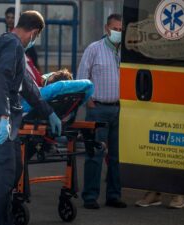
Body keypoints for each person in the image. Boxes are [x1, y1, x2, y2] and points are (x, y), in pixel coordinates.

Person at [0, 10, 62, 225]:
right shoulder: (13, 45)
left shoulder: (6, 42)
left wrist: (48, 111)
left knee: (14, 168)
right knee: (4, 175)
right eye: (36, 37)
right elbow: (1, 79)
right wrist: (3, 117)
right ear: (34, 33)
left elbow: (26, 83)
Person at [77, 14, 126, 209]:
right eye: (115, 29)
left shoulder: (125, 52)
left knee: (115, 157)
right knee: (95, 155)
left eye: (121, 30)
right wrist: (88, 101)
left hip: (118, 109)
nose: (118, 33)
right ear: (107, 28)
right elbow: (82, 77)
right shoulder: (94, 49)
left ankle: (114, 195)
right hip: (98, 109)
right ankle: (90, 196)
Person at [5, 6, 41, 72]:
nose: (10, 20)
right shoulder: (6, 36)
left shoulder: (24, 39)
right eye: (8, 17)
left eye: (13, 18)